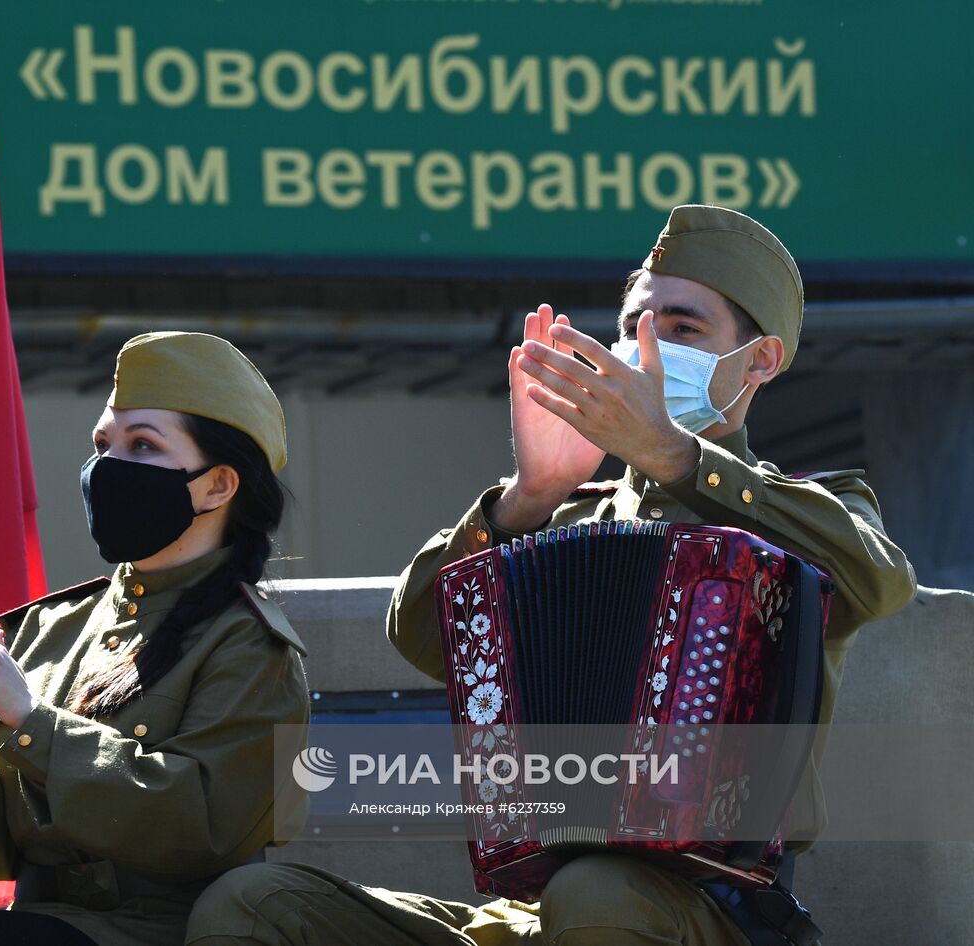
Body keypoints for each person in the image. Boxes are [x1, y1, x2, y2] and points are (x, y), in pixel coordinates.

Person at [185, 206, 917, 946]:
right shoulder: (567, 521)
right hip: (533, 913)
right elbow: (425, 637)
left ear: (760, 361)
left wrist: (677, 459)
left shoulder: (807, 511)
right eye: (634, 324)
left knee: (594, 893)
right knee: (252, 904)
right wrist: (529, 493)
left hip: (703, 911)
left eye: (683, 328)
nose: (646, 347)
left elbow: (881, 579)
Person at [0, 332, 310, 946]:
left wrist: (33, 724)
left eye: (142, 445)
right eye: (103, 445)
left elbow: (206, 826)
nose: (107, 466)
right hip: (47, 922)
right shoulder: (52, 629)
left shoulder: (252, 647)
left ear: (217, 486)